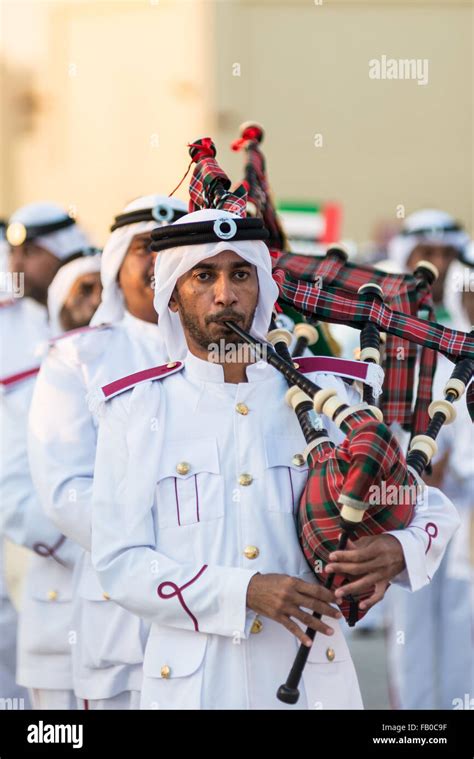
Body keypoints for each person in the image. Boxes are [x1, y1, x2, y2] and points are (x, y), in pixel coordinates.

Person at [90, 207, 460, 710]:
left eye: (240, 274)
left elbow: (428, 504)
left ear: (261, 286)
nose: (225, 294)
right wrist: (243, 591)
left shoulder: (325, 391)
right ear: (173, 296)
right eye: (204, 275)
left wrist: (401, 548)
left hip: (314, 687)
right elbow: (118, 563)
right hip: (194, 689)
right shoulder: (136, 410)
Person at [28, 194, 187, 709]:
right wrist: (180, 549)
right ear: (117, 262)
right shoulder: (79, 356)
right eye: (146, 247)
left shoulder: (231, 355)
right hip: (121, 612)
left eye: (172, 247)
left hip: (215, 606)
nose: (159, 260)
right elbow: (66, 489)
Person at [0, 202, 95, 709]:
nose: (17, 262)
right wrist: (67, 533)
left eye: (32, 252)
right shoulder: (4, 326)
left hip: (122, 563)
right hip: (40, 554)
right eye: (14, 250)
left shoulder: (105, 315)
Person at [386, 211, 473, 709]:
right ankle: (414, 730)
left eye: (446, 254)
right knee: (412, 625)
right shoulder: (384, 326)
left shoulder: (466, 326)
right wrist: (410, 461)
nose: (437, 264)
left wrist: (456, 462)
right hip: (405, 501)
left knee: (466, 625)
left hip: (465, 503)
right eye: (427, 254)